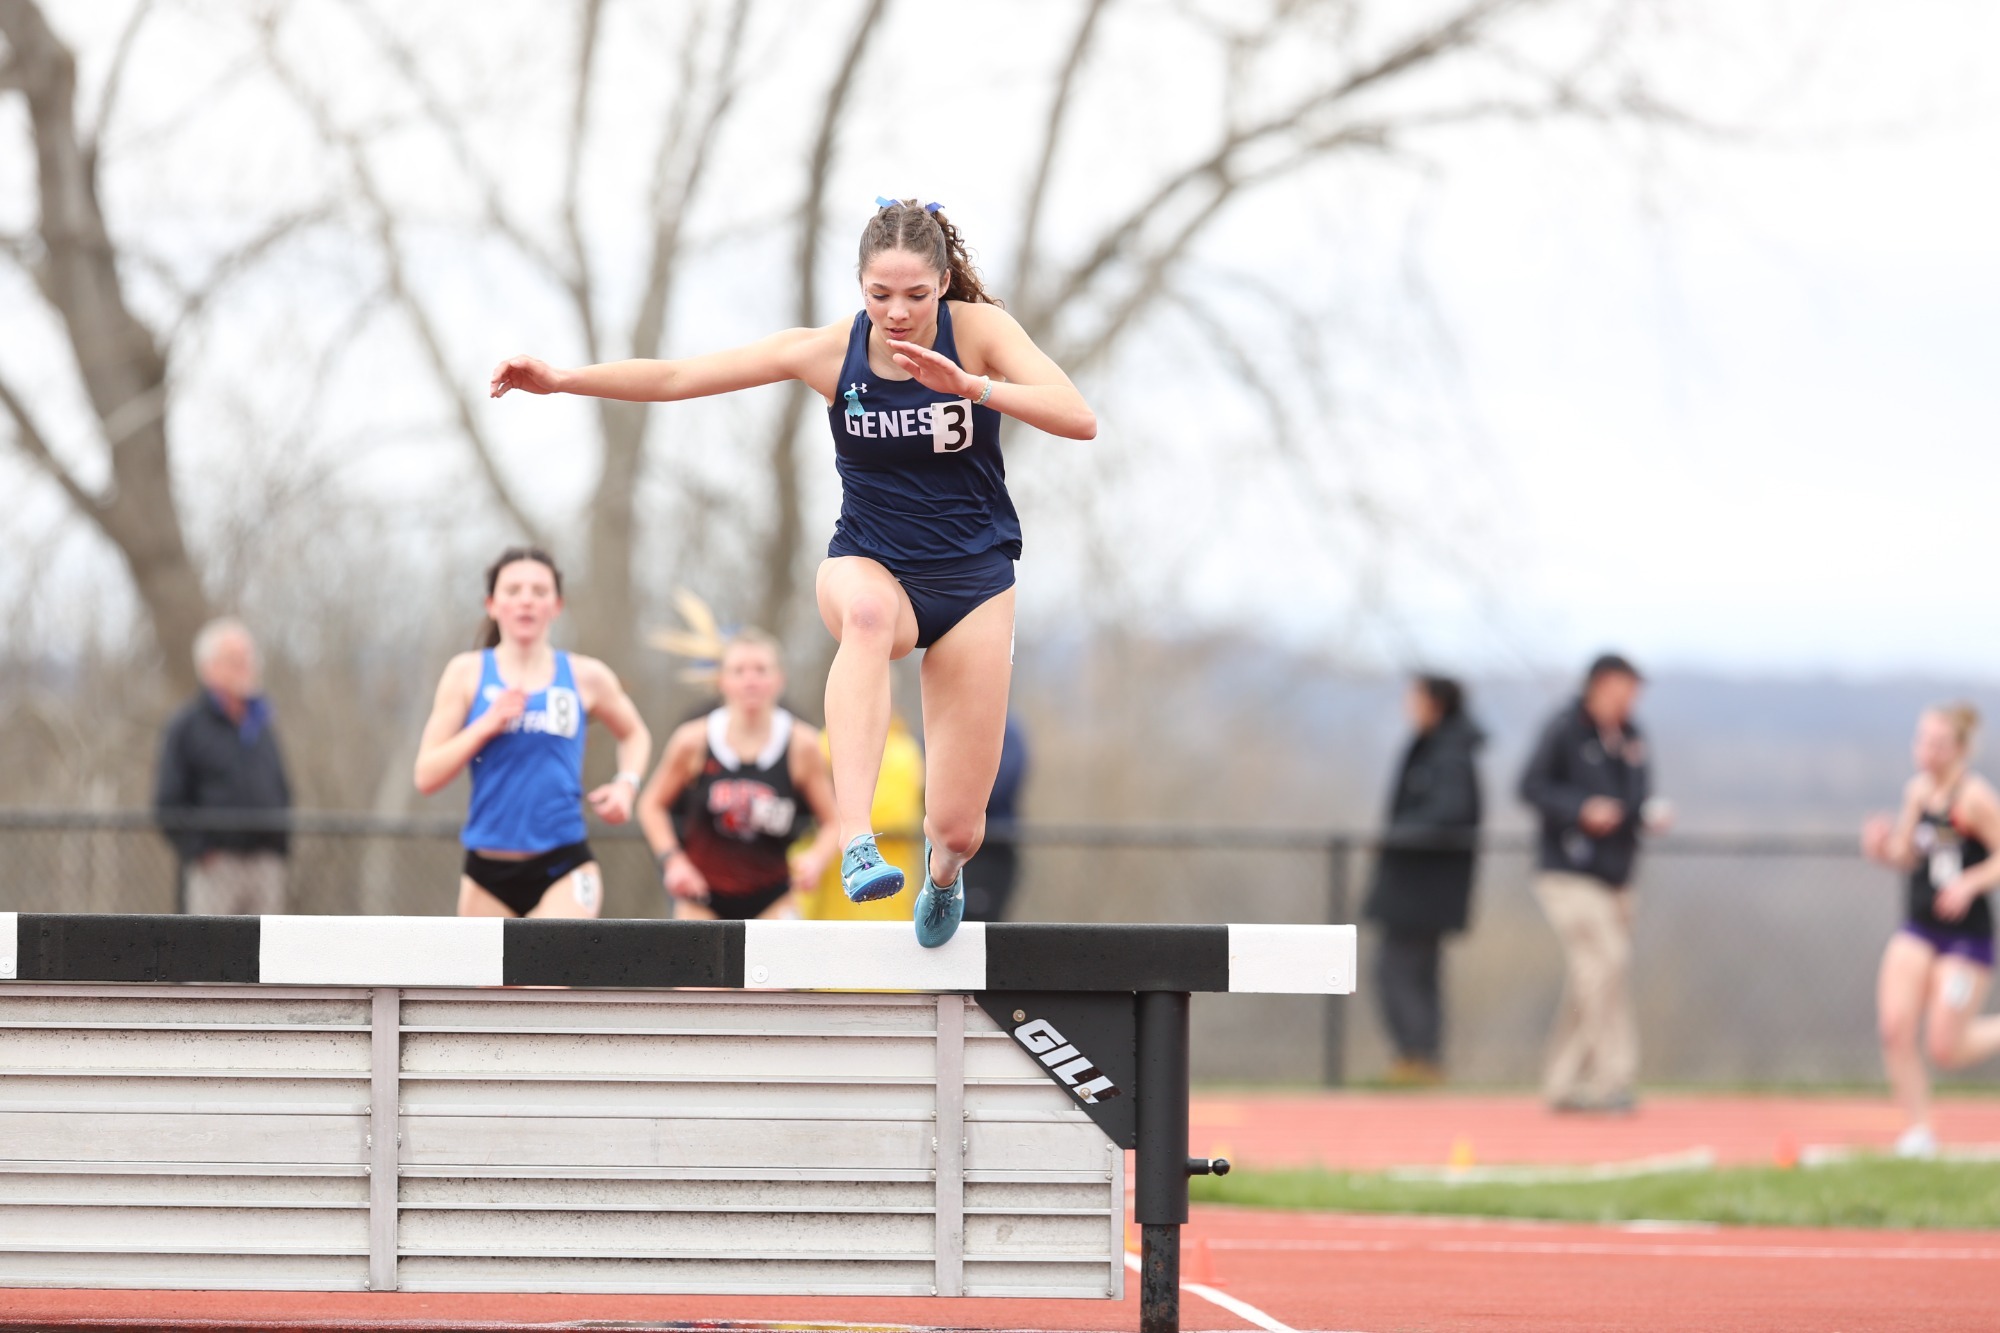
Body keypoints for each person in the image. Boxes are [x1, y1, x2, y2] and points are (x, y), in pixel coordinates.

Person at [492, 198, 1095, 947]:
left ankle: (942, 874)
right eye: (880, 296)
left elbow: (1078, 415)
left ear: (943, 283)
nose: (898, 313)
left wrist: (971, 387)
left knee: (958, 825)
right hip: (869, 564)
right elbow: (682, 375)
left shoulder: (980, 334)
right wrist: (562, 379)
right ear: (860, 286)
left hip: (974, 579)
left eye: (915, 295)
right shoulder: (828, 352)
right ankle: (856, 839)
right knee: (868, 621)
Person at [414, 547, 651, 918]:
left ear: (556, 606)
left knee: (545, 975)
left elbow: (635, 734)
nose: (526, 600)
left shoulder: (586, 676)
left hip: (564, 864)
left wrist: (627, 784)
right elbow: (426, 775)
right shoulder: (466, 673)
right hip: (487, 870)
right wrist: (485, 726)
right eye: (513, 591)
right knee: (497, 980)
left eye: (539, 591)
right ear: (492, 604)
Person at [1518, 653, 1669, 1112]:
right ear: (1601, 685)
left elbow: (1635, 798)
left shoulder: (1631, 737)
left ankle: (1562, 1083)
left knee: (1596, 975)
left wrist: (1644, 814)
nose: (1632, 700)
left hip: (1617, 875)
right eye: (1626, 688)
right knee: (1608, 960)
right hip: (1568, 871)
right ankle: (1613, 1078)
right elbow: (1530, 786)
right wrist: (1580, 809)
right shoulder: (1565, 728)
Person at [1860, 704, 2000, 1158]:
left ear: (1959, 749)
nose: (1927, 751)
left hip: (1966, 938)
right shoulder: (1918, 793)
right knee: (1895, 1026)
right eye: (1922, 740)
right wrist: (1883, 848)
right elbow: (1909, 852)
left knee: (1945, 1046)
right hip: (1920, 927)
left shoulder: (1975, 798)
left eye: (1938, 744)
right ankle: (1919, 1131)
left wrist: (1971, 882)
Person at [636, 629, 839, 921]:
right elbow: (651, 805)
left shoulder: (802, 745)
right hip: (700, 895)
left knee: (781, 964)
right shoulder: (693, 740)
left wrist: (816, 859)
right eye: (739, 671)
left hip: (774, 895)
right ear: (722, 681)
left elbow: (833, 820)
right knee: (695, 964)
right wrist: (673, 861)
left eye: (761, 670)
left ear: (779, 679)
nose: (750, 680)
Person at [1362, 675, 1483, 1085]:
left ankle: (1417, 1057)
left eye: (1414, 698)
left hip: (1423, 887)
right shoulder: (1435, 747)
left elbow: (1449, 814)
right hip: (1417, 885)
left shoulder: (1449, 754)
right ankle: (1422, 1058)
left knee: (1395, 971)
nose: (1407, 705)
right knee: (1415, 972)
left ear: (1435, 703)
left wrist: (1396, 837)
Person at [153, 618, 293, 915]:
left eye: (250, 658)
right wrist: (201, 851)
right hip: (215, 867)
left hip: (265, 865)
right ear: (209, 668)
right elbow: (168, 801)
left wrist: (280, 846)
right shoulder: (187, 726)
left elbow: (281, 787)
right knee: (209, 954)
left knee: (266, 957)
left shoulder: (262, 723)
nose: (247, 666)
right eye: (235, 659)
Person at [962, 712, 1030, 922]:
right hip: (949, 847)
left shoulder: (1007, 730)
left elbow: (1002, 784)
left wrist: (959, 796)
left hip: (992, 845)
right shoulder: (950, 723)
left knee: (982, 924)